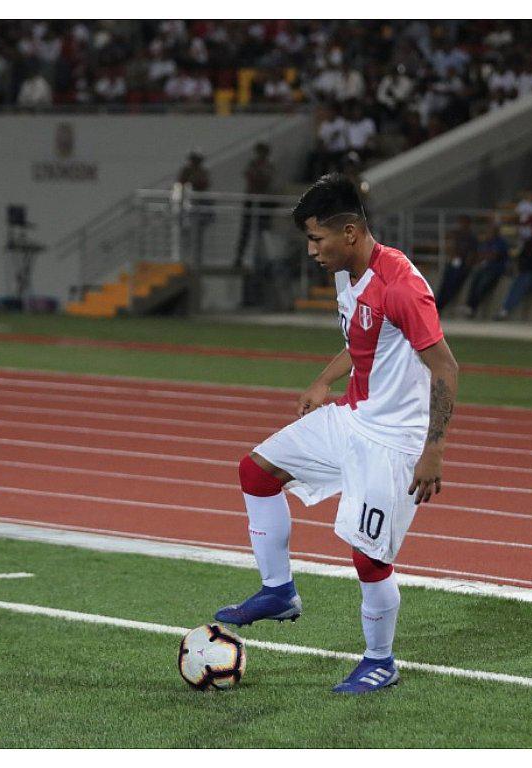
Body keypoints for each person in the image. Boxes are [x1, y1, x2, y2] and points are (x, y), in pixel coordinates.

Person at [213, 174, 459, 695]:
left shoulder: (402, 286)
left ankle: (381, 660)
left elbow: (444, 367)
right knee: (256, 471)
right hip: (352, 416)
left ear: (350, 232)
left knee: (369, 558)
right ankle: (278, 591)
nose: (311, 251)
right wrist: (326, 378)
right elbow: (365, 336)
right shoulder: (348, 273)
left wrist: (433, 449)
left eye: (317, 239)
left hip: (394, 439)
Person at [494, 220, 532, 320]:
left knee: (523, 283)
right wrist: (520, 265)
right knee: (515, 284)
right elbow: (521, 256)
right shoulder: (529, 242)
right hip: (525, 271)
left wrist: (527, 266)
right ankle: (504, 309)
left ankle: (506, 309)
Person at [234, 142, 277, 270]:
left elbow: (265, 180)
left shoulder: (268, 166)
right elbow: (250, 177)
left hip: (262, 201)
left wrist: (259, 177)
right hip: (251, 200)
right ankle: (239, 258)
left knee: (261, 232)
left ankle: (260, 261)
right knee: (245, 232)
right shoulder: (253, 164)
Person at [461, 223, 510, 318]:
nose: (488, 233)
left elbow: (493, 256)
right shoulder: (487, 242)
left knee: (483, 284)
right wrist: (486, 255)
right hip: (485, 268)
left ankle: (472, 307)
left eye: (490, 231)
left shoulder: (500, 242)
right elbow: (480, 255)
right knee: (474, 280)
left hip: (495, 269)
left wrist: (486, 255)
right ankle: (469, 306)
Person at [435, 214, 478, 313]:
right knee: (445, 282)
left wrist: (466, 264)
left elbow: (472, 253)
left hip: (463, 265)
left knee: (453, 284)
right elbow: (451, 248)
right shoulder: (457, 235)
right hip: (455, 263)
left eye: (463, 223)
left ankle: (441, 306)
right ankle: (437, 305)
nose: (461, 225)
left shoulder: (471, 237)